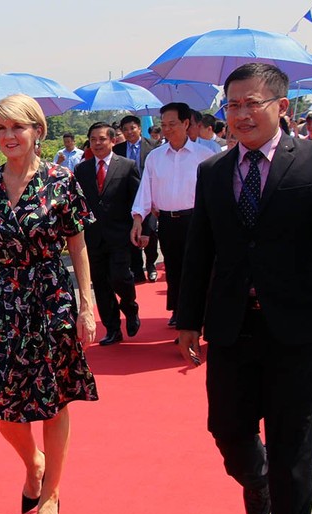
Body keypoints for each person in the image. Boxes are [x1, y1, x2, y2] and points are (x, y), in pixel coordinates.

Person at [177, 63, 312, 514]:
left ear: (281, 106)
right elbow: (199, 251)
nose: (240, 114)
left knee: (292, 446)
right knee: (228, 431)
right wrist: (188, 320)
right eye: (232, 105)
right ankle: (255, 480)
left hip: (297, 330)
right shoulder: (213, 170)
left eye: (250, 103)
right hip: (232, 327)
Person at [0, 94, 98, 514]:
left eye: (17, 127)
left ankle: (51, 496)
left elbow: (77, 244)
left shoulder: (61, 181)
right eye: (1, 129)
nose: (8, 137)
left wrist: (86, 302)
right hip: (5, 300)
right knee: (3, 406)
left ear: (38, 131)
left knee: (54, 399)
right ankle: (34, 463)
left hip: (50, 296)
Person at [130, 102, 214, 328]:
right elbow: (145, 190)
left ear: (186, 124)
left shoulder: (204, 156)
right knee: (173, 268)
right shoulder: (155, 157)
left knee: (197, 267)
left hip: (197, 220)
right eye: (163, 124)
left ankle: (201, 312)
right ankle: (179, 310)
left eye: (172, 124)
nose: (166, 129)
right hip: (168, 221)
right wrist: (138, 219)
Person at [75, 122, 141, 345]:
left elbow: (137, 200)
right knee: (101, 285)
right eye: (93, 139)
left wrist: (141, 227)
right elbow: (78, 203)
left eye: (102, 139)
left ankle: (130, 308)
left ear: (113, 140)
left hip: (120, 234)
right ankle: (113, 329)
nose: (97, 144)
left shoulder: (127, 166)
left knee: (119, 277)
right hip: (92, 237)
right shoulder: (81, 169)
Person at [114, 115, 159, 283]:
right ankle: (137, 268)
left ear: (139, 128)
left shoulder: (154, 146)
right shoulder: (118, 150)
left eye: (132, 128)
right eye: (125, 129)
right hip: (128, 198)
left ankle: (151, 264)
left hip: (150, 194)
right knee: (132, 232)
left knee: (151, 232)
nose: (129, 132)